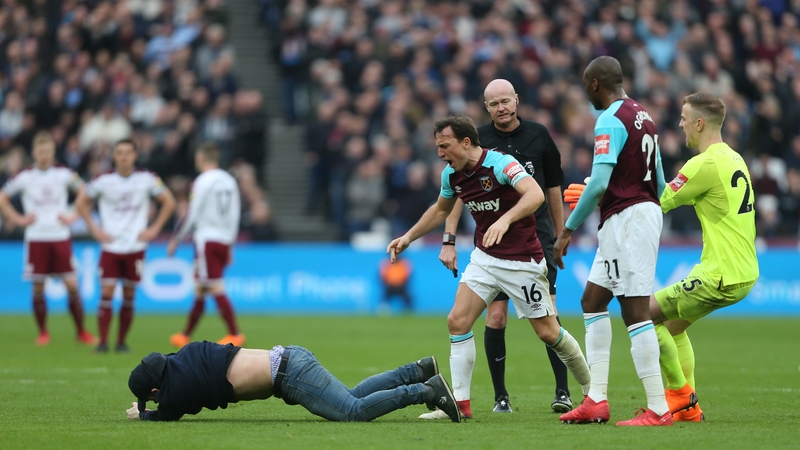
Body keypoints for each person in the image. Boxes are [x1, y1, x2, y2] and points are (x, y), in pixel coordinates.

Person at [387, 114, 590, 420]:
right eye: (438, 147)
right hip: (485, 259)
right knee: (457, 321)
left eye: (445, 146)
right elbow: (441, 208)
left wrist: (506, 219)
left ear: (466, 142)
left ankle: (592, 392)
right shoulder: (451, 175)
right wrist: (408, 237)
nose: (440, 153)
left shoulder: (501, 164)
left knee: (549, 332)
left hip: (523, 262)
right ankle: (460, 405)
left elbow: (535, 194)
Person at [437, 79, 571, 415]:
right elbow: (456, 197)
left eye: (506, 101)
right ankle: (501, 398)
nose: (502, 108)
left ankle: (563, 392)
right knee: (495, 317)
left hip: (535, 237)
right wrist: (449, 239)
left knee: (548, 319)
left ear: (516, 100)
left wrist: (560, 233)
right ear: (487, 108)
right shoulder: (475, 142)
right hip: (494, 242)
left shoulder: (539, 135)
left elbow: (552, 188)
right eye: (494, 103)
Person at [553, 56, 671, 426]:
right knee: (593, 299)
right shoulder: (644, 116)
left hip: (628, 219)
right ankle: (596, 400)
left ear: (593, 84)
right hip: (634, 213)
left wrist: (568, 228)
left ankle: (659, 408)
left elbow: (602, 182)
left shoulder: (609, 119)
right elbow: (661, 182)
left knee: (635, 310)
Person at [652, 93, 759, 422]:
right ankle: (688, 410)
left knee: (641, 315)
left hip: (721, 274)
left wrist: (650, 156)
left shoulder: (703, 163)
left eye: (684, 118)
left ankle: (680, 399)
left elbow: (658, 199)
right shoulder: (734, 158)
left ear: (699, 123)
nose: (680, 124)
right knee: (672, 327)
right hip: (744, 270)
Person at [126, 341, 461, 422]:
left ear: (156, 390)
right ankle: (417, 370)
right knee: (352, 395)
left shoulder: (177, 390)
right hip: (290, 356)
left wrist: (143, 415)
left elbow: (169, 411)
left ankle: (425, 390)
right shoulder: (186, 355)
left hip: (289, 376)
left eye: (151, 398)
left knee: (352, 412)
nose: (154, 401)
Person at [76, 139, 176, 353]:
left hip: (136, 246)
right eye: (120, 152)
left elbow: (169, 201)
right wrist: (95, 229)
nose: (123, 156)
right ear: (114, 156)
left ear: (134, 155)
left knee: (129, 295)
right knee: (107, 293)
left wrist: (155, 228)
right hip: (110, 246)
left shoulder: (147, 179)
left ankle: (121, 342)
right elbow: (81, 202)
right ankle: (103, 342)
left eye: (128, 152)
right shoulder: (103, 180)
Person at [0, 131, 96, 346]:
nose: (44, 155)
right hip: (36, 237)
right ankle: (43, 332)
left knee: (72, 286)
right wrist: (18, 219)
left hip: (60, 235)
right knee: (38, 287)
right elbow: (2, 198)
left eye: (48, 151)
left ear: (53, 152)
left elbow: (86, 191)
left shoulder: (63, 174)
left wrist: (74, 215)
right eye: (41, 151)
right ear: (34, 152)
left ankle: (81, 332)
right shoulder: (25, 177)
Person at [167, 142, 245, 348]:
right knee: (201, 287)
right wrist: (230, 244)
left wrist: (176, 239)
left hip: (206, 239)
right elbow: (235, 215)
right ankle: (185, 334)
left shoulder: (202, 181)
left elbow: (192, 213)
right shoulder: (230, 181)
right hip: (223, 240)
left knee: (215, 286)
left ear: (201, 157)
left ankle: (235, 333)